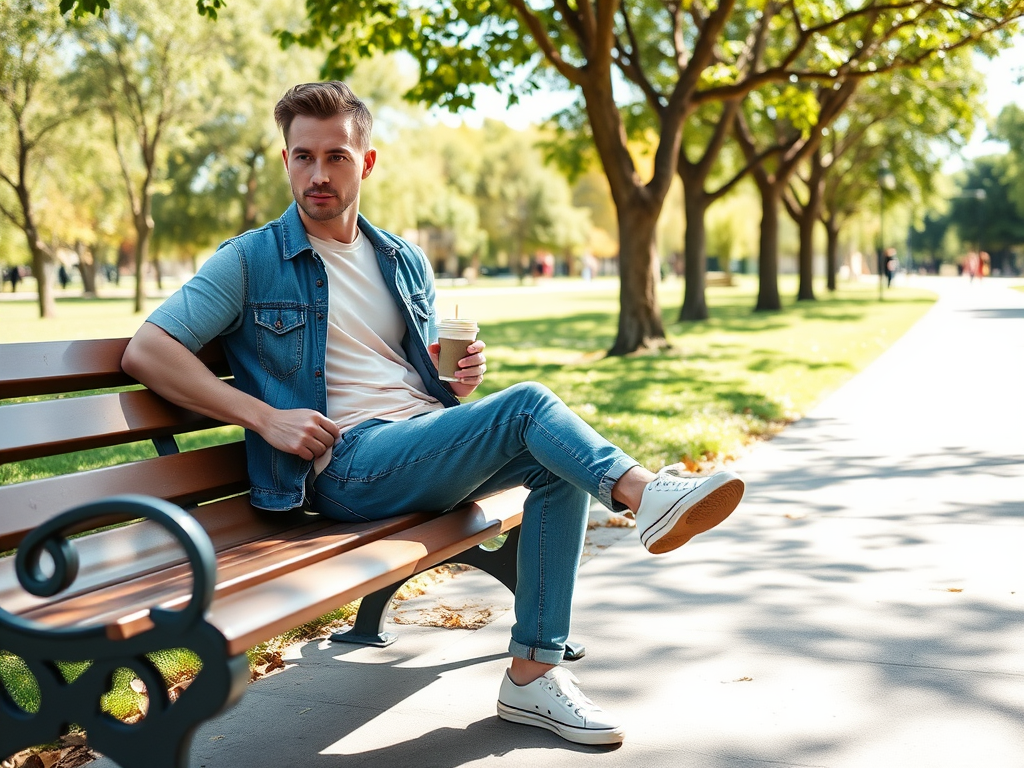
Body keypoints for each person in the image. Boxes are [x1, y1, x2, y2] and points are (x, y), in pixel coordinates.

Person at [121, 82, 745, 747]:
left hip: (415, 441)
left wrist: (461, 380)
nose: (318, 174)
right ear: (286, 161)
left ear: (366, 163)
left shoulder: (400, 258)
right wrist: (264, 418)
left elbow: (422, 381)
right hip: (346, 464)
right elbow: (147, 351)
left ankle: (533, 677)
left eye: (336, 156)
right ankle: (647, 495)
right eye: (303, 157)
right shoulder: (251, 260)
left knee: (554, 461)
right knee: (532, 407)